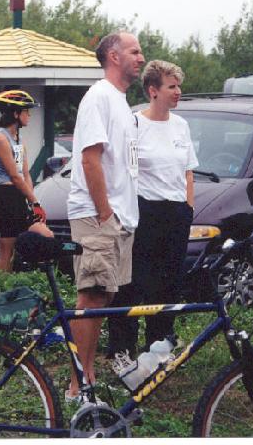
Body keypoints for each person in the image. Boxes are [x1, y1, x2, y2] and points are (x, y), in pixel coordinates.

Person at [65, 31, 144, 403]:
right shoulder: (98, 96)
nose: (141, 58)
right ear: (114, 56)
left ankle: (89, 376)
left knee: (102, 300)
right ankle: (77, 386)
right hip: (98, 217)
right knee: (91, 299)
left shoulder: (121, 102)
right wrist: (105, 213)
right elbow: (90, 159)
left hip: (119, 219)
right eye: (135, 51)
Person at [107, 60, 197, 360]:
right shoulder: (134, 124)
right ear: (153, 90)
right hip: (143, 212)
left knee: (168, 284)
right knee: (133, 283)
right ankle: (123, 350)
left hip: (176, 214)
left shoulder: (181, 126)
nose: (178, 91)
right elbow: (122, 171)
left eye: (179, 86)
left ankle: (159, 348)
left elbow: (188, 171)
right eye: (171, 86)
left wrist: (188, 208)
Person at [0, 89, 46, 272]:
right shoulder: (0, 138)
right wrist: (34, 201)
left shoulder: (19, 140)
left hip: (20, 194)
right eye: (26, 111)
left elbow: (25, 173)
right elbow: (14, 175)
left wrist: (30, 200)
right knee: (7, 247)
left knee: (26, 243)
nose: (29, 115)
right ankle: (1, 284)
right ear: (15, 113)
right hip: (6, 195)